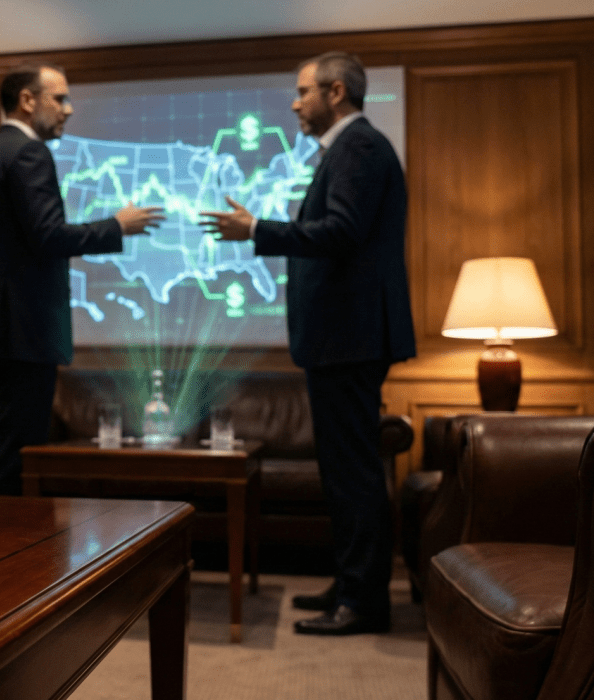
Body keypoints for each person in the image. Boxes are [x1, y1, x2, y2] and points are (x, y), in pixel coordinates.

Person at [202, 51, 415, 635]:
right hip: (341, 339)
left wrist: (255, 230)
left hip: (350, 337)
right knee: (342, 470)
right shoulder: (345, 149)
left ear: (336, 92)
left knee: (354, 472)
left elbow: (341, 232)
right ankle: (349, 585)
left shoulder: (359, 147)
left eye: (304, 92)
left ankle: (363, 602)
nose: (295, 104)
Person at [0, 62, 164, 496]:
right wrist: (116, 226)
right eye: (60, 99)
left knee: (5, 450)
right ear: (27, 101)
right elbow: (48, 236)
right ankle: (0, 541)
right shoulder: (30, 153)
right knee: (17, 459)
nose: (69, 109)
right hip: (23, 335)